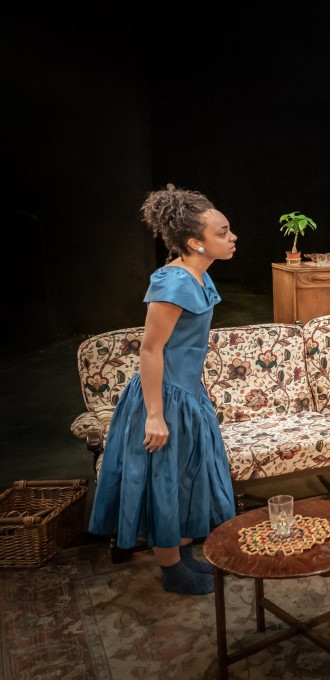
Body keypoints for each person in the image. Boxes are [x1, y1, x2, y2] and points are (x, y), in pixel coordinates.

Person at [87, 184, 239, 595]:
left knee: (187, 476)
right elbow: (150, 350)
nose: (232, 237)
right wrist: (154, 414)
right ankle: (172, 570)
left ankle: (184, 555)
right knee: (166, 479)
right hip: (165, 396)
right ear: (196, 242)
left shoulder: (196, 277)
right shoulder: (174, 284)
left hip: (187, 395)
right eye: (222, 232)